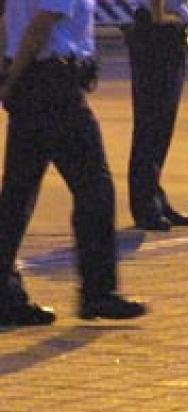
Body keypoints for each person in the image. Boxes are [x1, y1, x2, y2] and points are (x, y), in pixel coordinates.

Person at [0, 0, 147, 326]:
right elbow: (42, 23)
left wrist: (10, 73)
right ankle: (98, 291)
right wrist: (13, 79)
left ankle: (5, 294)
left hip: (33, 79)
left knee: (17, 194)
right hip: (52, 83)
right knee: (94, 187)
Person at [124, 0, 188, 231]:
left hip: (167, 31)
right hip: (157, 32)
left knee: (162, 124)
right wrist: (159, 17)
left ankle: (154, 194)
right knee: (151, 123)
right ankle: (145, 205)